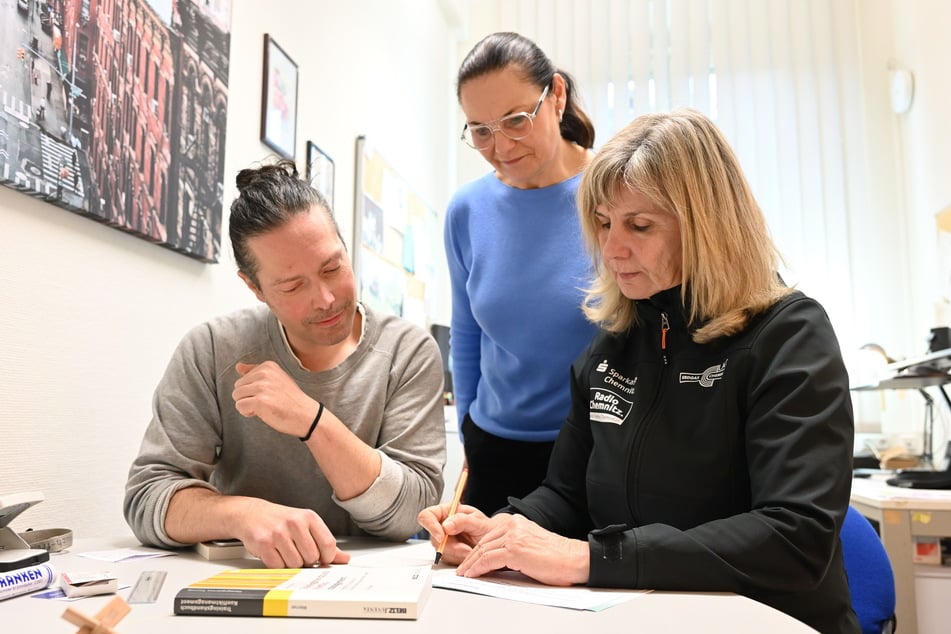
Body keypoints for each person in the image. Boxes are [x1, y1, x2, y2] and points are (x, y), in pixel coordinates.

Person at [420, 109, 859, 633]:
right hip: (642, 616)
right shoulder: (613, 347)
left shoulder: (789, 335)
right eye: (603, 224)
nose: (612, 248)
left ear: (706, 227)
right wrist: (500, 532)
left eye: (640, 225)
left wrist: (592, 559)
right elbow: (566, 494)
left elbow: (796, 536)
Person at [125, 160, 446, 569]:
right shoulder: (212, 350)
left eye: (333, 268)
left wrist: (312, 421)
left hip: (366, 582)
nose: (326, 299)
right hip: (245, 579)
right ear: (254, 287)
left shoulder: (406, 351)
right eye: (293, 285)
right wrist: (243, 514)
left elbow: (410, 512)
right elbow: (147, 497)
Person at [445, 32, 598, 514]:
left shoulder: (614, 192)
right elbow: (466, 332)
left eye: (515, 120)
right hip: (495, 450)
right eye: (480, 131)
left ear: (556, 95)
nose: (501, 146)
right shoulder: (467, 210)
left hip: (598, 449)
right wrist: (470, 427)